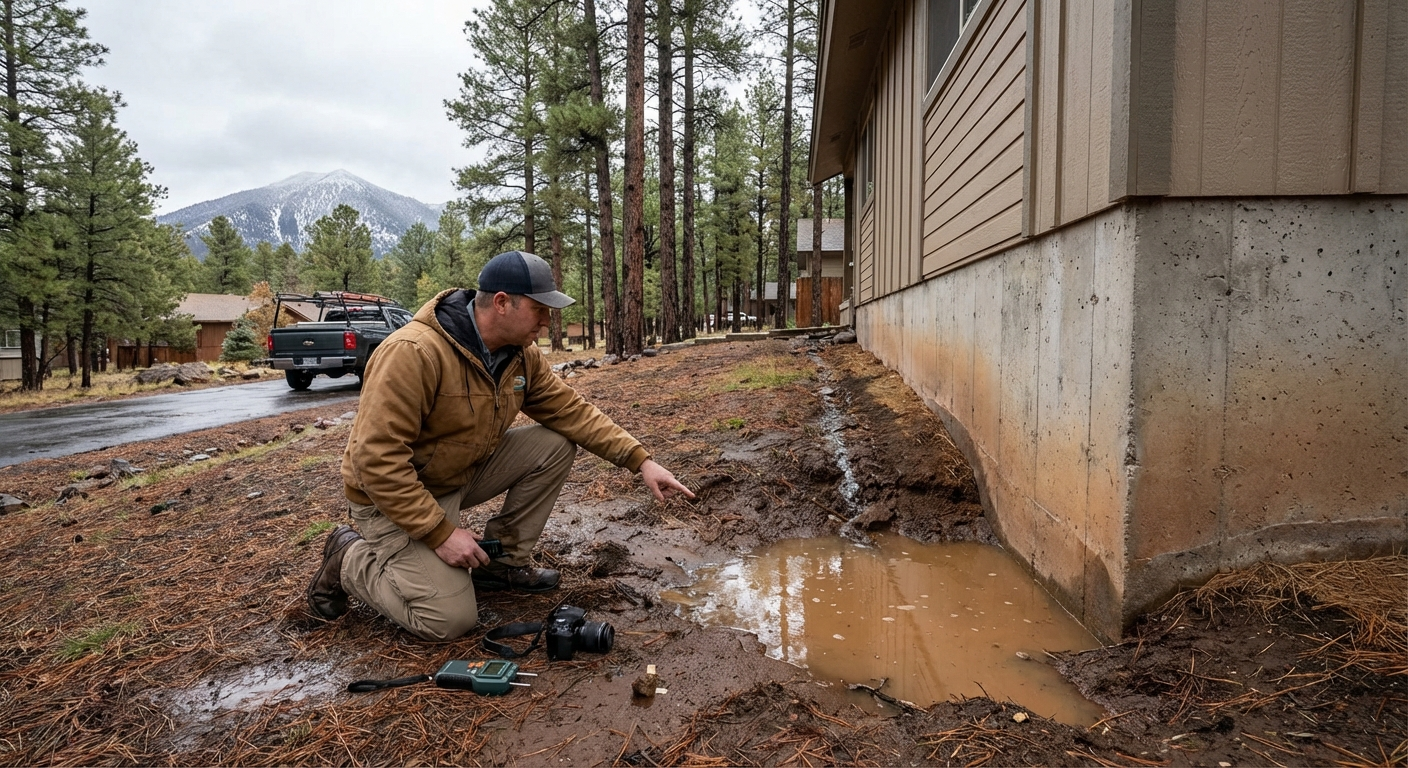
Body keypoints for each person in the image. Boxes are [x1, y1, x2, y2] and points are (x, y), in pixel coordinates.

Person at [306, 250, 694, 641]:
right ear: (502, 303)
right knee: (447, 620)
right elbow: (376, 460)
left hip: (456, 474)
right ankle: (348, 559)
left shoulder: (521, 356)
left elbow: (571, 411)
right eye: (540, 309)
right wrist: (440, 533)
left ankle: (501, 565)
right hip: (390, 496)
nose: (547, 322)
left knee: (555, 442)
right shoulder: (413, 353)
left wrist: (641, 461)